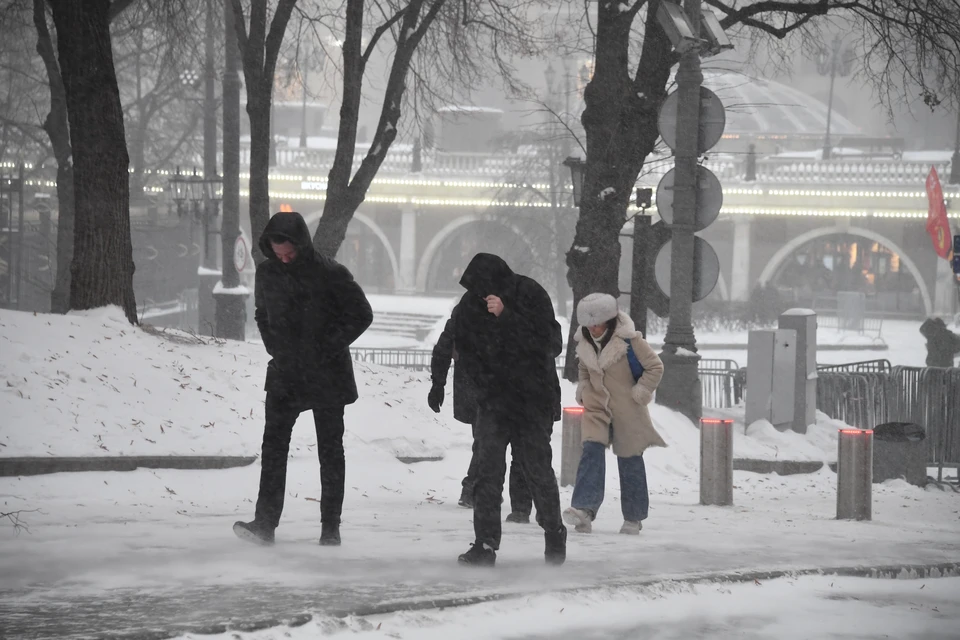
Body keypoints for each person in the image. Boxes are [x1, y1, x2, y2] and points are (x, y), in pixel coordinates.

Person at [234, 210, 373, 547]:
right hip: (286, 373)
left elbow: (361, 314)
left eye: (290, 253)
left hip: (327, 374)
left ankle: (330, 527)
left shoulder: (330, 273)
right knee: (274, 447)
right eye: (277, 253)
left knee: (330, 450)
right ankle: (265, 523)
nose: (284, 259)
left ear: (301, 245)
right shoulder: (267, 273)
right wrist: (275, 348)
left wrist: (324, 347)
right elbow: (261, 314)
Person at [449, 253, 566, 567]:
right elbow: (465, 349)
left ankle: (554, 530)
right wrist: (481, 386)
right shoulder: (471, 305)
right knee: (488, 475)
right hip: (494, 402)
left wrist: (507, 315)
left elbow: (550, 343)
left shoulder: (529, 293)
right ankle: (484, 543)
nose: (479, 294)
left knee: (537, 471)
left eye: (482, 287)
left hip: (532, 400)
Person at [563, 293, 665, 536]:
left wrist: (640, 392)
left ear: (610, 321)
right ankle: (584, 509)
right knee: (591, 452)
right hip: (597, 408)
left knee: (629, 459)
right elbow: (584, 367)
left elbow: (655, 367)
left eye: (598, 324)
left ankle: (633, 516)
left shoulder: (630, 341)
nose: (594, 329)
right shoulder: (584, 343)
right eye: (589, 325)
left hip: (627, 408)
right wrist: (584, 388)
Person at [429, 305, 534, 523]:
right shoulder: (506, 310)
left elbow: (444, 346)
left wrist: (438, 383)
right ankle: (475, 490)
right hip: (494, 386)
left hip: (473, 384)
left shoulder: (465, 310)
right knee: (490, 440)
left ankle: (474, 489)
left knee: (485, 439)